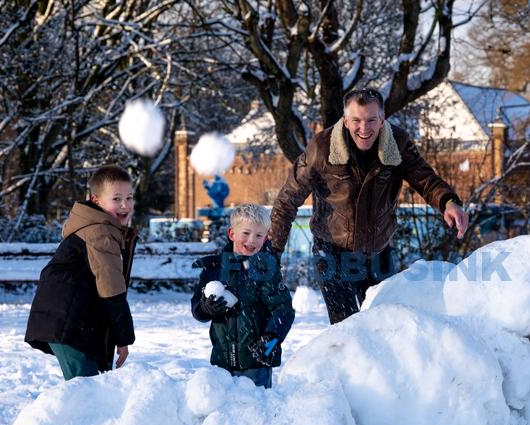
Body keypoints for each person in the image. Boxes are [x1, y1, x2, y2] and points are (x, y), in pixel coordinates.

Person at [270, 88, 469, 324]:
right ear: (345, 120)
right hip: (333, 250)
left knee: (384, 324)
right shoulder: (321, 148)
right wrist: (272, 250)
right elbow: (288, 198)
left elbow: (425, 179)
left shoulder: (397, 143)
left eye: (371, 120)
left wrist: (448, 201)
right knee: (347, 327)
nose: (364, 129)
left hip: (378, 250)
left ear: (382, 119)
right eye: (356, 120)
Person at [25, 165, 138, 380]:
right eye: (116, 199)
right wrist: (123, 338)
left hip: (75, 323)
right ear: (96, 201)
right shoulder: (99, 233)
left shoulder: (102, 229)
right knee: (85, 391)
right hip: (68, 323)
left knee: (89, 389)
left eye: (129, 197)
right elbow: (111, 290)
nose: (125, 205)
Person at [191, 204, 295, 389]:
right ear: (232, 234)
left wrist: (270, 340)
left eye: (258, 235)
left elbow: (283, 309)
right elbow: (197, 311)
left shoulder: (266, 269)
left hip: (257, 362)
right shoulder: (215, 269)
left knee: (255, 411)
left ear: (266, 237)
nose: (251, 240)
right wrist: (206, 308)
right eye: (246, 233)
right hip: (222, 363)